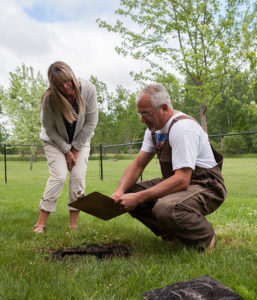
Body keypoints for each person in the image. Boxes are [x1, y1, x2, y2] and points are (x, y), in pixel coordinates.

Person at [111, 83, 226, 251]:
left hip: (206, 185)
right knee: (129, 194)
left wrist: (140, 198)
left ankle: (205, 240)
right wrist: (120, 191)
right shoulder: (154, 130)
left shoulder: (182, 129)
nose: (142, 119)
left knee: (165, 208)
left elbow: (182, 180)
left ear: (164, 108)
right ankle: (172, 236)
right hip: (179, 180)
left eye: (146, 113)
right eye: (140, 114)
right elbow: (137, 165)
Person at [33, 61, 98, 233]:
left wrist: (75, 149)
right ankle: (40, 224)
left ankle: (73, 226)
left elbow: (91, 123)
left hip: (81, 140)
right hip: (54, 141)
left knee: (77, 177)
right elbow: (49, 128)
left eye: (67, 81)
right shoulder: (49, 99)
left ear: (72, 76)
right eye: (60, 84)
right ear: (54, 86)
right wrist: (66, 151)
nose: (66, 86)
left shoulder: (88, 90)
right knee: (59, 176)